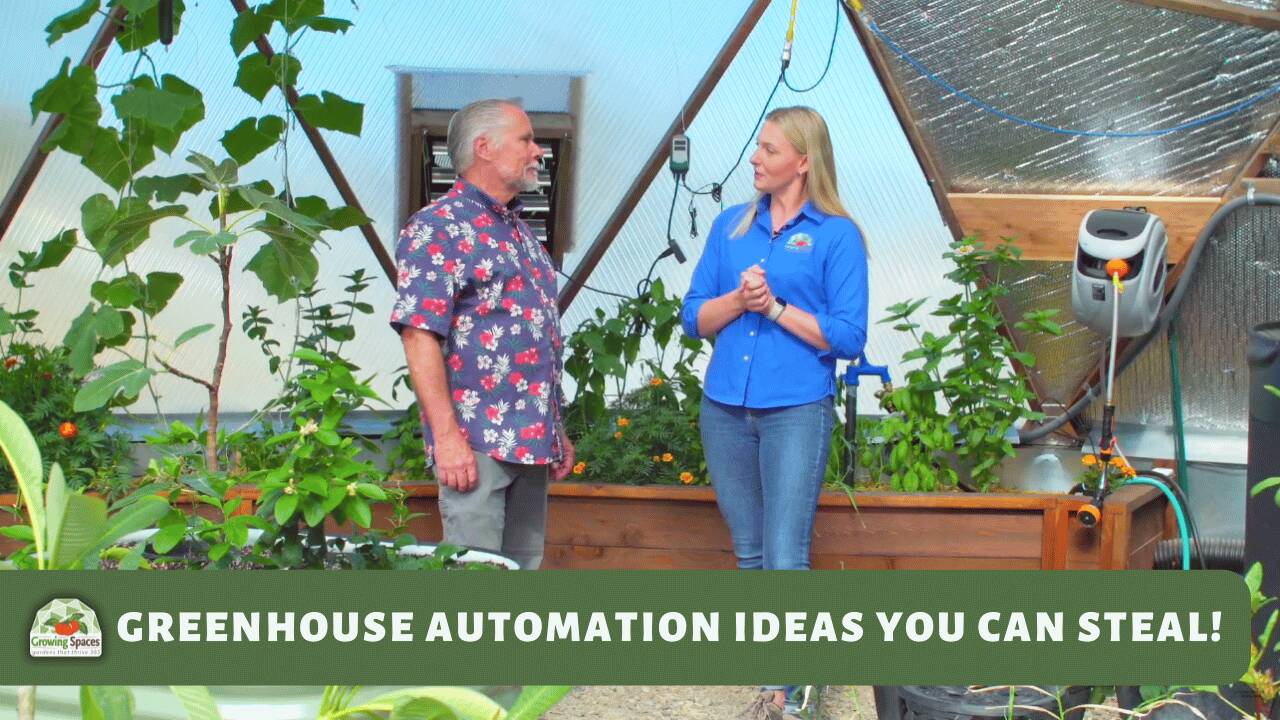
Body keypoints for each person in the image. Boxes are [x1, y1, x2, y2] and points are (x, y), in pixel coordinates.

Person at [680, 106, 868, 719]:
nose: (755, 158)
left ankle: (790, 696)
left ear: (804, 161)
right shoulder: (731, 227)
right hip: (725, 408)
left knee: (786, 554)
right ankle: (776, 678)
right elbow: (693, 317)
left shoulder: (836, 235)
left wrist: (776, 308)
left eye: (769, 149)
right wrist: (739, 299)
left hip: (796, 410)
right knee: (751, 552)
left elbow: (849, 336)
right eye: (757, 147)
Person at [390, 98, 575, 571]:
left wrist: (555, 429)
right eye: (526, 139)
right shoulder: (438, 227)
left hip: (532, 441)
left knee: (522, 576)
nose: (538, 151)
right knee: (476, 581)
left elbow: (535, 337)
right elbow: (418, 335)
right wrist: (447, 438)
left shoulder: (521, 234)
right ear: (484, 147)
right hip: (476, 443)